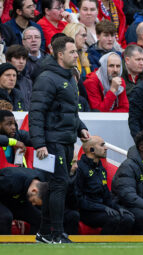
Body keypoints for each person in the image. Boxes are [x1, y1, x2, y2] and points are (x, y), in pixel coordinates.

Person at [29, 36, 90, 243]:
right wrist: (39, 143)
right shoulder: (47, 78)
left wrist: (81, 128)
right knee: (59, 184)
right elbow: (36, 112)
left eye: (77, 51)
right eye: (72, 52)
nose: (76, 55)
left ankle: (45, 233)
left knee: (53, 186)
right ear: (60, 54)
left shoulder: (69, 77)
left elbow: (69, 111)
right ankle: (56, 234)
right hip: (52, 141)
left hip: (65, 139)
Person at [76, 136, 135, 235]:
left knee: (128, 218)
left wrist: (118, 207)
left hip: (101, 209)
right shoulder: (80, 168)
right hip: (87, 212)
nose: (106, 148)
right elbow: (79, 199)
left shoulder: (101, 169)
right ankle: (100, 246)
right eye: (102, 145)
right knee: (114, 219)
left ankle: (116, 248)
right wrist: (102, 208)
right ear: (92, 149)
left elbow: (107, 196)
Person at [0, 167, 48, 234]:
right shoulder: (10, 181)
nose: (33, 204)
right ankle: (4, 243)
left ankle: (34, 242)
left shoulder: (40, 180)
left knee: (39, 218)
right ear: (34, 191)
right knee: (6, 216)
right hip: (3, 199)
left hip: (13, 200)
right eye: (34, 200)